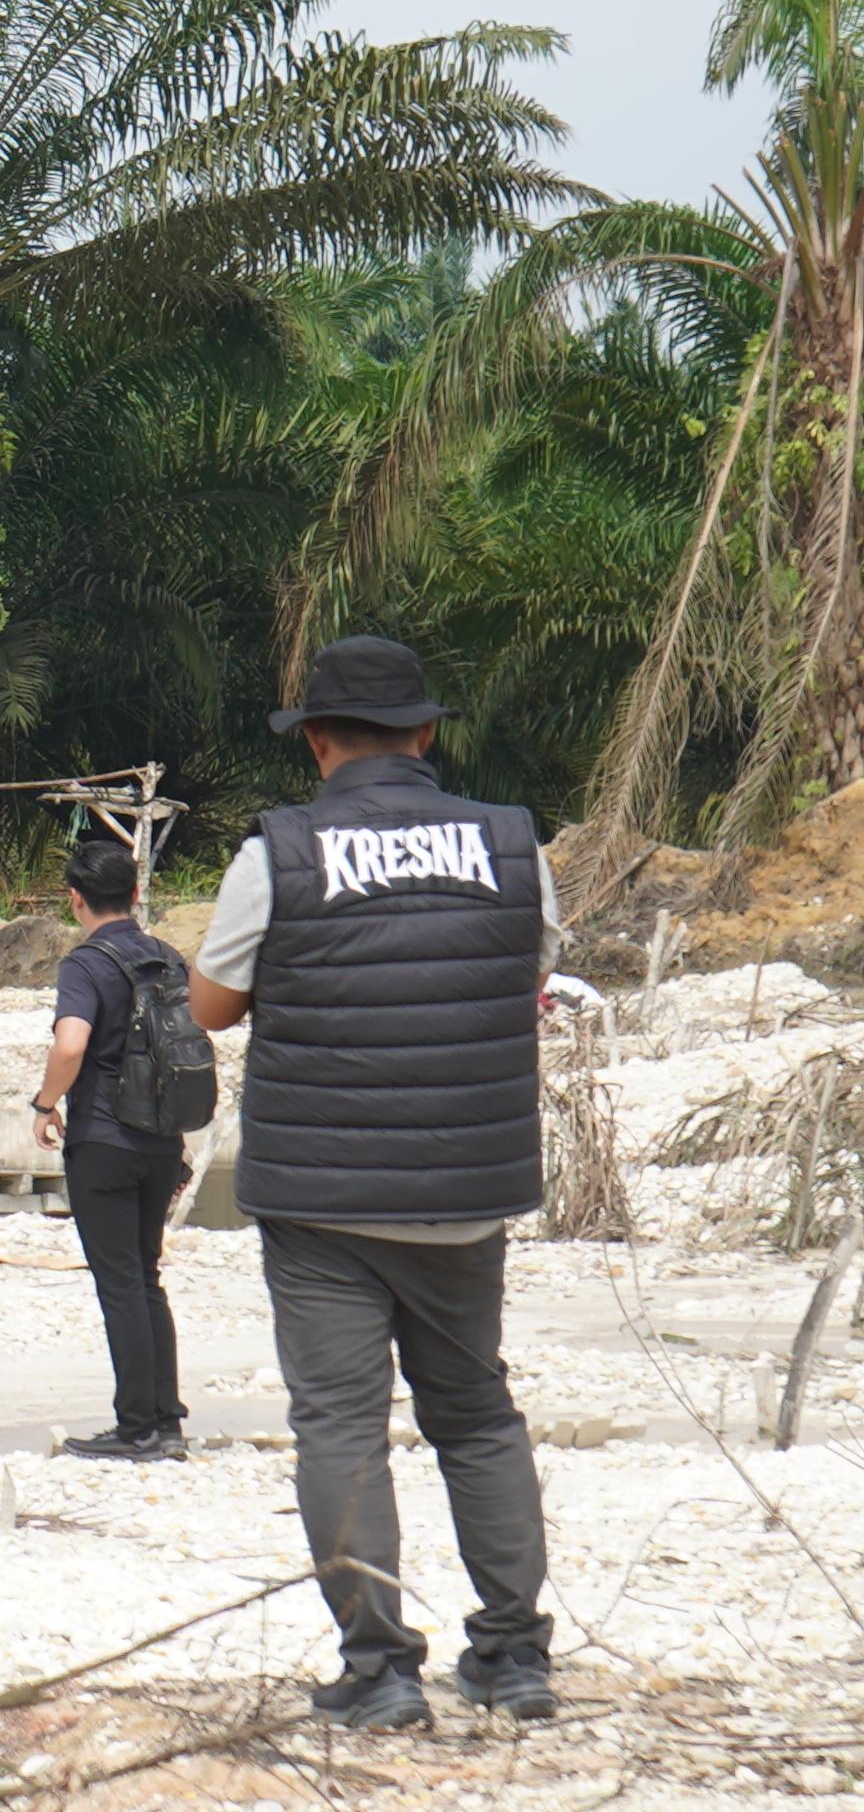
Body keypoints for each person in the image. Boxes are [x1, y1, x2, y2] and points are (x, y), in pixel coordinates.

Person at [192, 634, 559, 1732]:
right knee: (478, 1412)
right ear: (427, 733)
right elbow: (528, 968)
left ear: (315, 742)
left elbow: (212, 1007)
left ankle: (383, 1668)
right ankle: (513, 1655)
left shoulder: (279, 852)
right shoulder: (513, 842)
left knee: (342, 1425)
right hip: (468, 1183)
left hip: (322, 1198)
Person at [30, 836, 193, 1462]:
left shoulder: (86, 964)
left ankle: (135, 1429)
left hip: (103, 1137)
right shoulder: (168, 956)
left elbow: (71, 1045)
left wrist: (45, 1106)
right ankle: (167, 1421)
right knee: (147, 1278)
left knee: (119, 1282)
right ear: (133, 893)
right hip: (162, 1138)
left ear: (76, 899)